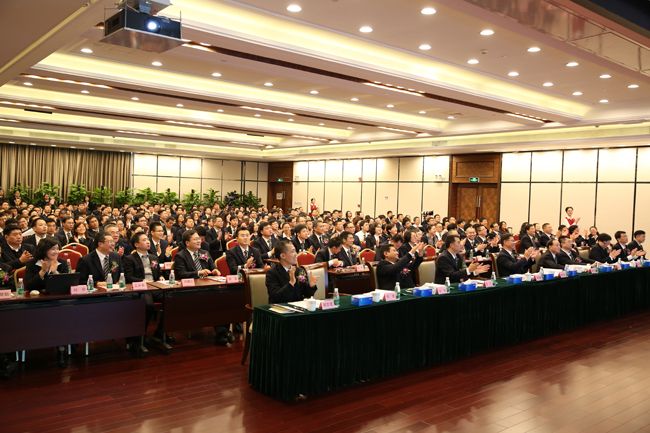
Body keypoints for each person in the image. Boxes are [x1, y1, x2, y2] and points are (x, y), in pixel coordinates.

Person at [122, 232, 167, 340]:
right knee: (148, 305)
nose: (148, 242)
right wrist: (143, 281)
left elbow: (159, 273)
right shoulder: (130, 259)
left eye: (148, 239)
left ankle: (160, 331)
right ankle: (140, 335)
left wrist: (161, 277)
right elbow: (129, 277)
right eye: (144, 240)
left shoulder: (153, 257)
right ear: (136, 244)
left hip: (155, 287)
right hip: (142, 288)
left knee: (172, 301)